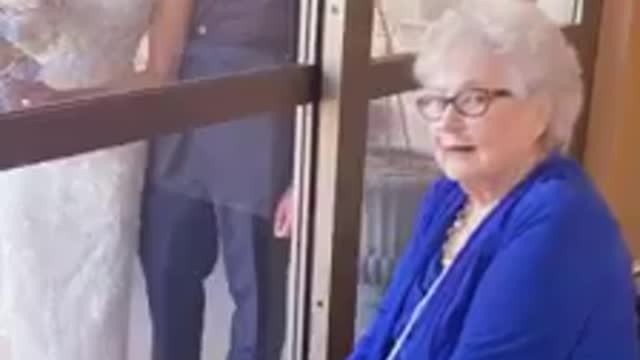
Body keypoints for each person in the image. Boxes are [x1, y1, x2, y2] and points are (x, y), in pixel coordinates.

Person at [349, 1, 639, 359]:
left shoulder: (561, 223)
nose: (446, 122)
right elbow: (382, 333)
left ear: (540, 112)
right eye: (437, 100)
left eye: (473, 99)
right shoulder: (449, 197)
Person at [0, 0, 202, 359]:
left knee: (92, 310)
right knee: (23, 297)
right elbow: (14, 44)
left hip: (108, 145)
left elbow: (160, 75)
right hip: (30, 135)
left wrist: (70, 102)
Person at [138, 0, 297, 359]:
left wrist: (304, 174)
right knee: (165, 267)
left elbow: (333, 49)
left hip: (262, 104)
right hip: (181, 106)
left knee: (258, 294)